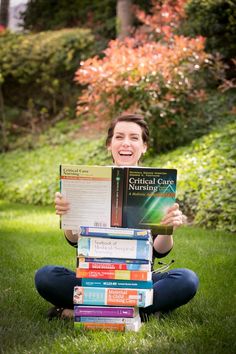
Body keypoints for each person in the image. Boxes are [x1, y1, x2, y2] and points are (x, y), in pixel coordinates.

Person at [35, 113, 199, 320]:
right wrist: (69, 215)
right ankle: (141, 313)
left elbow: (160, 250)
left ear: (144, 146)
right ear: (109, 144)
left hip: (139, 278)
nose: (126, 144)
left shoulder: (157, 184)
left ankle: (84, 311)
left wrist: (169, 229)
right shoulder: (88, 181)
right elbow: (74, 240)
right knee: (46, 276)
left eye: (134, 137)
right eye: (119, 137)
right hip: (95, 278)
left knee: (187, 279)